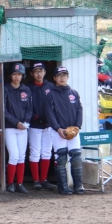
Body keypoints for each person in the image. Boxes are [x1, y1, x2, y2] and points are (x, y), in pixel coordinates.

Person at [45, 66, 84, 195]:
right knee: (61, 158)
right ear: (54, 78)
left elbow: (79, 110)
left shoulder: (74, 93)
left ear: (68, 77)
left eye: (64, 75)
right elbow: (49, 114)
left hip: (73, 131)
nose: (62, 78)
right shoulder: (50, 94)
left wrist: (77, 126)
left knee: (76, 157)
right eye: (59, 76)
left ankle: (78, 186)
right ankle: (63, 187)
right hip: (58, 131)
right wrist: (58, 128)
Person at [26, 63, 57, 191]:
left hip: (48, 125)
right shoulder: (28, 88)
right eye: (36, 71)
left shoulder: (51, 86)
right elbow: (26, 107)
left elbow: (55, 105)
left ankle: (44, 180)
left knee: (47, 151)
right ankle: (36, 180)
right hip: (34, 125)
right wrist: (36, 117)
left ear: (45, 72)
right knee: (35, 152)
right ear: (31, 74)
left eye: (41, 71)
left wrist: (51, 119)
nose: (38, 74)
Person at [4, 63, 32, 194]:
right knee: (14, 155)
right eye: (14, 74)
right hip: (10, 127)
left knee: (21, 156)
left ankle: (19, 183)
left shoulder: (26, 90)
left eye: (19, 74)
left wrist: (25, 122)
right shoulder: (5, 89)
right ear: (10, 75)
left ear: (22, 76)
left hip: (23, 128)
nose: (16, 77)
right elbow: (3, 110)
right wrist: (16, 122)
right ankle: (10, 183)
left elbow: (29, 109)